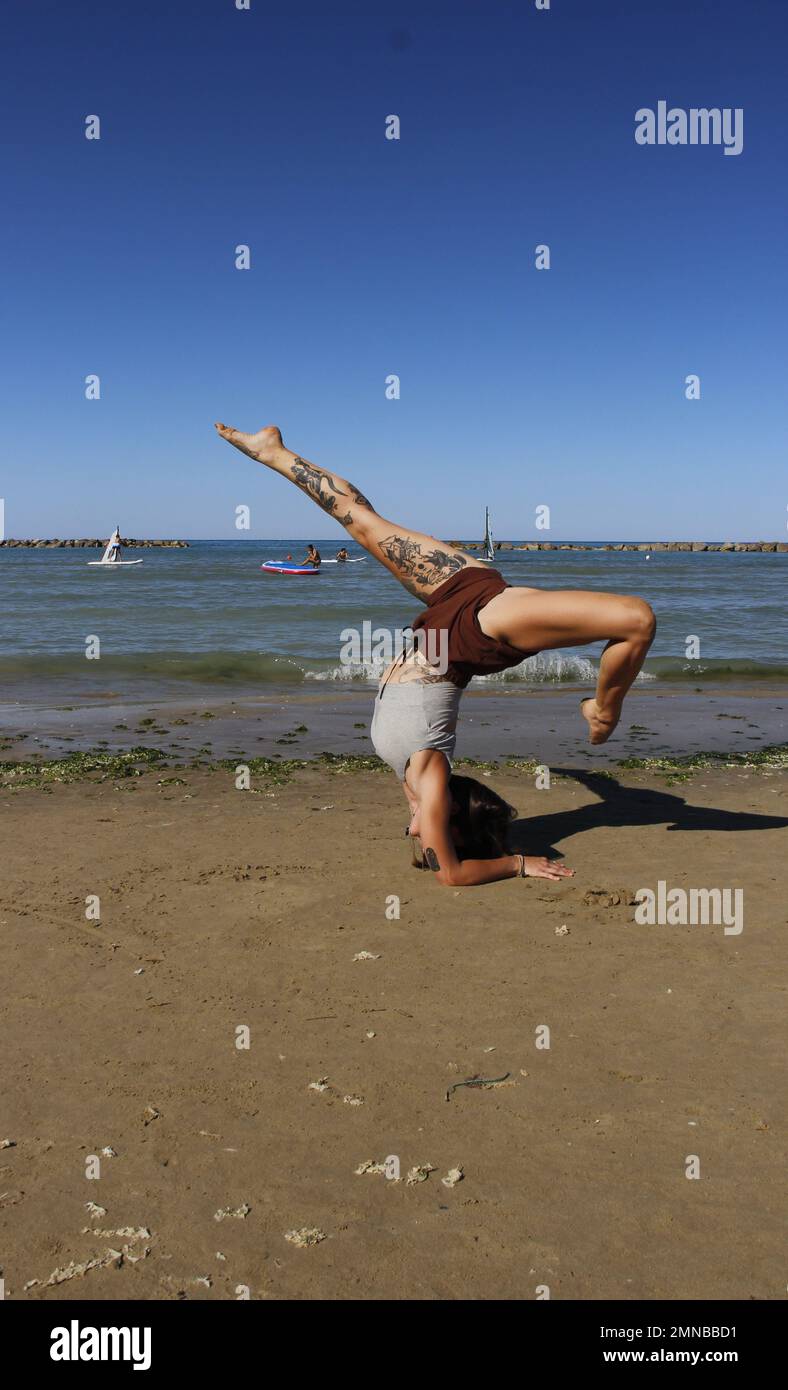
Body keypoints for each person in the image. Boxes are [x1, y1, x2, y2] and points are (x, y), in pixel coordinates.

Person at [215, 422, 656, 888]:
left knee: (363, 524)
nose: (414, 834)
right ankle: (603, 713)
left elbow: (437, 854)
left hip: (461, 621)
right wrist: (518, 862)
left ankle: (272, 453)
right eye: (424, 836)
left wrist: (433, 826)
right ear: (450, 821)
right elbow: (452, 874)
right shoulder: (430, 780)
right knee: (636, 620)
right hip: (481, 627)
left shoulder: (411, 781)